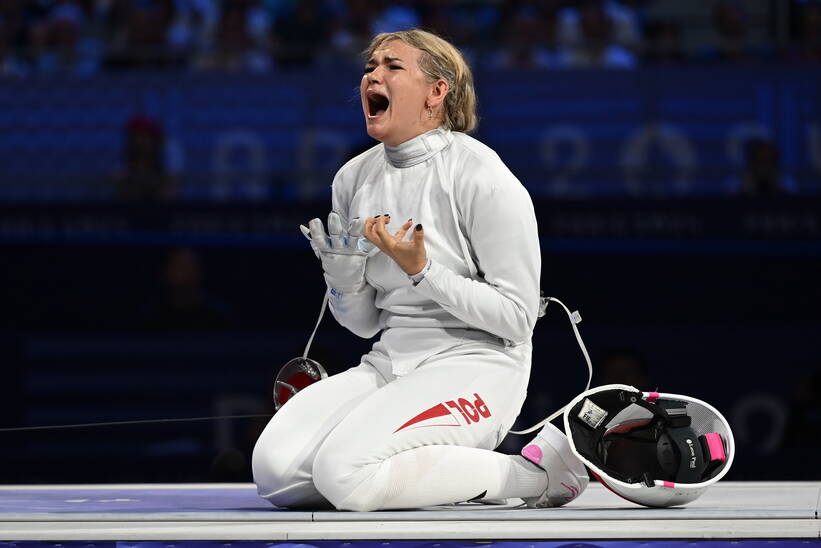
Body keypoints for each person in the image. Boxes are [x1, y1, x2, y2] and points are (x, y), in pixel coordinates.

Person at [251, 29, 588, 512]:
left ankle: (539, 475)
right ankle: (422, 475)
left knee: (343, 475)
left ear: (437, 92)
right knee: (277, 473)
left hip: (479, 367)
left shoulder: (481, 175)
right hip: (392, 362)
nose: (373, 75)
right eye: (370, 66)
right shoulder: (353, 178)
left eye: (392, 66)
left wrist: (424, 271)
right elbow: (364, 324)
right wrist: (343, 277)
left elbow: (516, 319)